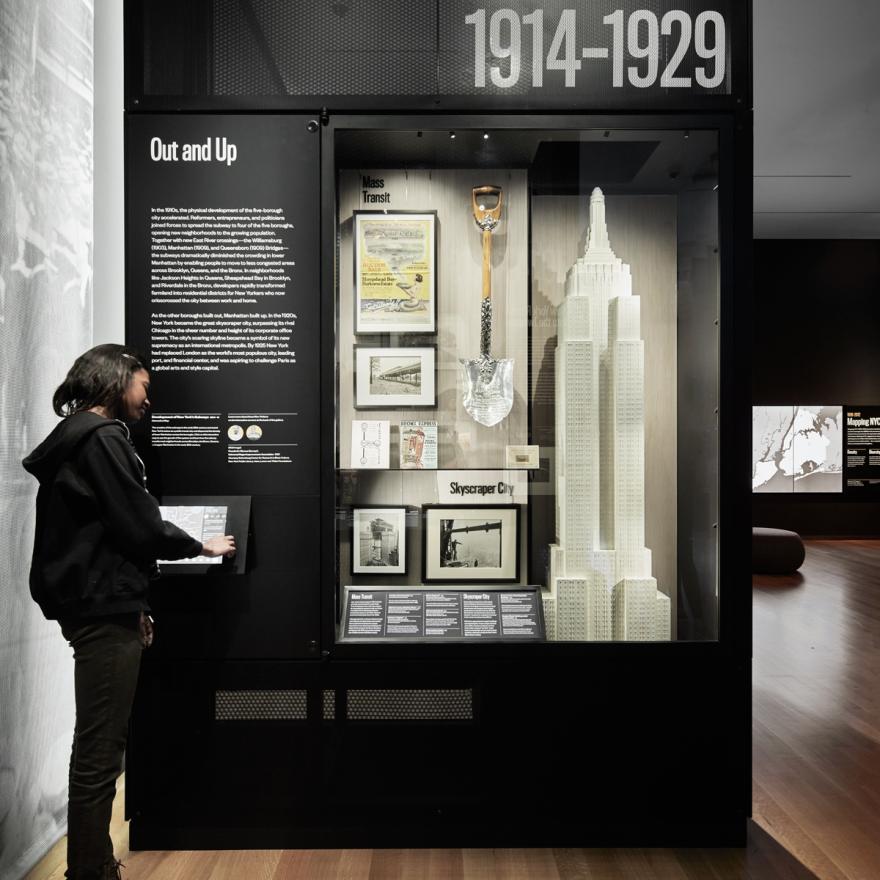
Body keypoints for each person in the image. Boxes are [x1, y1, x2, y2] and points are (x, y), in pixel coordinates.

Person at [22, 344, 235, 880]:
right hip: (104, 606)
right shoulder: (104, 439)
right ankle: (91, 870)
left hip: (92, 602)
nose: (146, 397)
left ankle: (90, 863)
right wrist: (199, 546)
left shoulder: (77, 439)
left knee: (97, 741)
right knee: (100, 746)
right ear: (117, 382)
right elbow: (138, 524)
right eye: (141, 385)